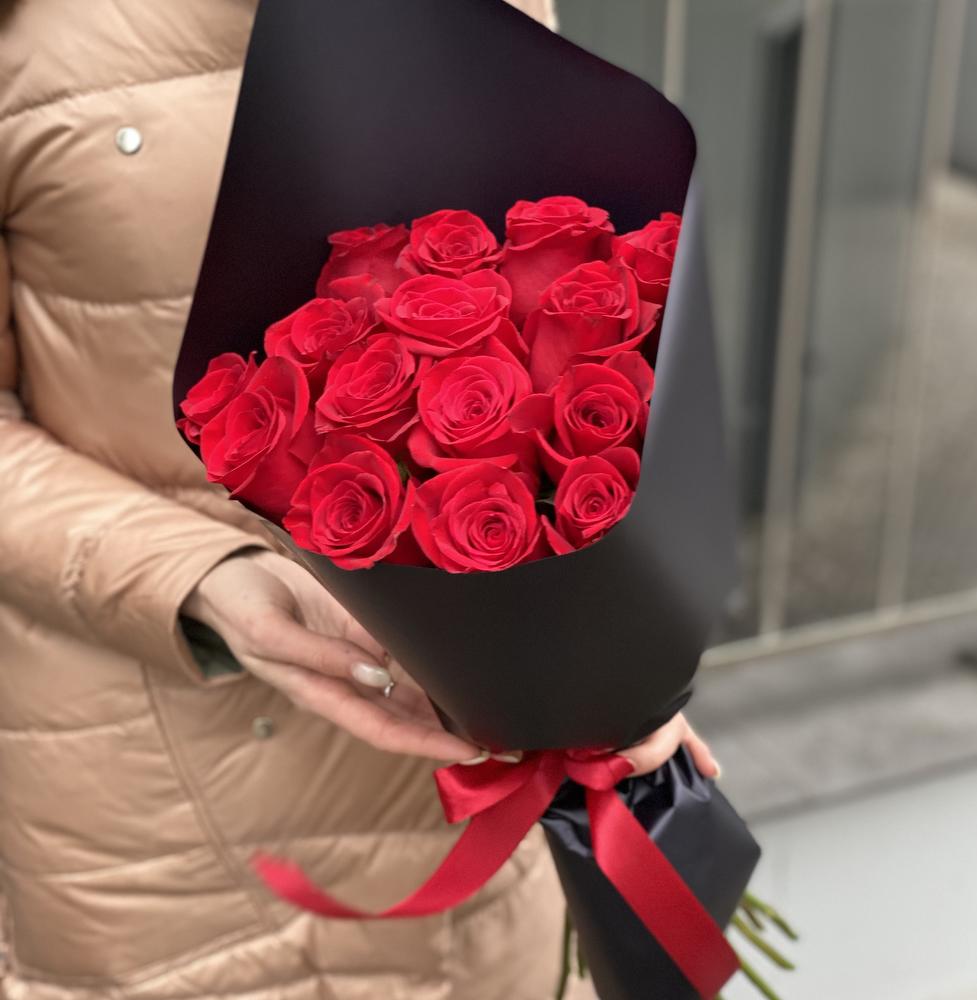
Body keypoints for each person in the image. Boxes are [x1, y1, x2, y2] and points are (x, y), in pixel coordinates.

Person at [0, 1, 721, 997]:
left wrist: (612, 663)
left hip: (466, 768)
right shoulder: (32, 43)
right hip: (159, 798)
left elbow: (573, 275)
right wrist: (203, 577)